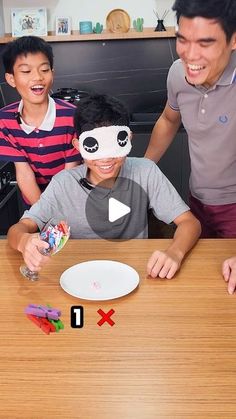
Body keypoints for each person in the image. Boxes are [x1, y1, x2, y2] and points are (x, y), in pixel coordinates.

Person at [7, 93, 201, 278]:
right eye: (95, 148)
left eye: (114, 146)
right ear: (78, 145)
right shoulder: (63, 183)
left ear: (128, 139)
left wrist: (175, 253)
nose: (106, 158)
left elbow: (190, 223)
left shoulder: (145, 171)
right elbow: (19, 228)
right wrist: (24, 241)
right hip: (77, 273)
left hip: (135, 272)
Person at [145, 0, 236, 238]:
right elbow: (168, 119)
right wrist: (144, 169)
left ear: (233, 40)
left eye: (205, 43)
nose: (190, 54)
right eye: (183, 39)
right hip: (197, 201)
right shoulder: (178, 73)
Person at [0, 35, 82, 208]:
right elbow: (24, 173)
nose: (37, 77)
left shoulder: (72, 116)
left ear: (52, 73)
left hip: (71, 197)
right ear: (11, 79)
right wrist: (44, 214)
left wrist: (60, 213)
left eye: (44, 70)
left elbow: (71, 172)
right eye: (26, 71)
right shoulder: (5, 120)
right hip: (34, 201)